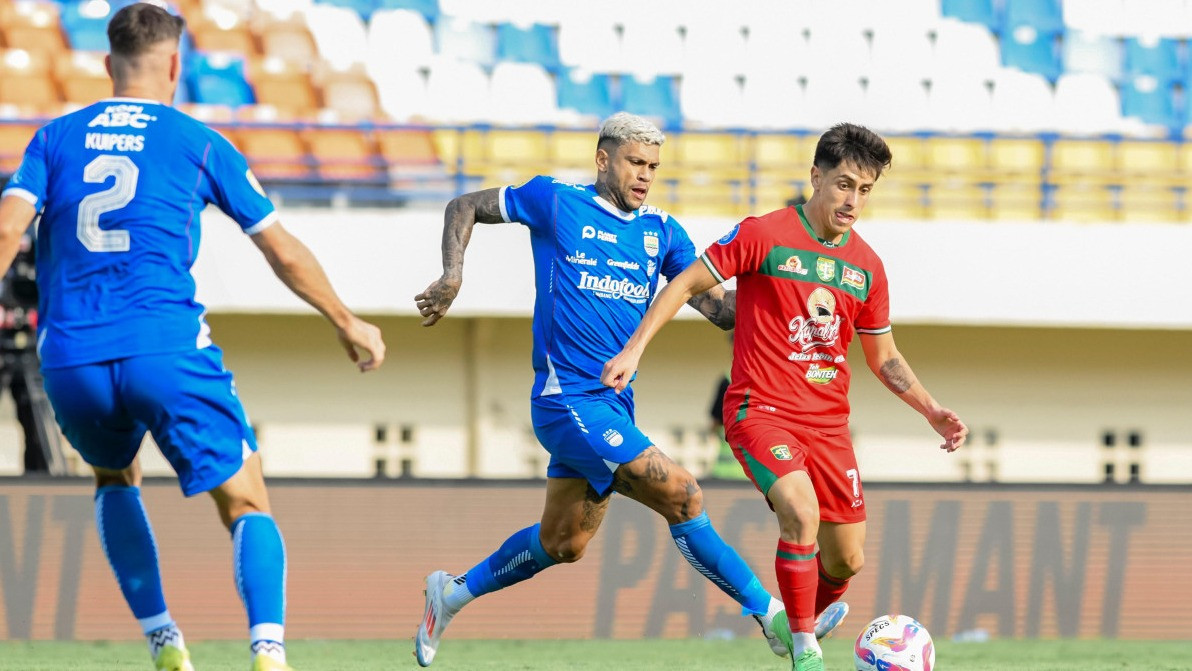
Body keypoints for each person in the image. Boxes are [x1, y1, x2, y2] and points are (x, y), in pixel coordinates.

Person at [0, 5, 385, 671]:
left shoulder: (52, 138)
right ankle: (268, 651)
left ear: (106, 64)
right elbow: (283, 251)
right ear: (177, 65)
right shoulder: (199, 141)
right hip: (165, 348)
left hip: (72, 358)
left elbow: (8, 231)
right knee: (245, 498)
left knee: (114, 477)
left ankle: (163, 639)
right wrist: (347, 321)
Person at [413, 112, 802, 667]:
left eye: (653, 166)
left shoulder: (662, 232)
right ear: (603, 159)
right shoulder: (555, 200)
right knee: (684, 495)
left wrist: (785, 289)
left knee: (563, 544)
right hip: (565, 401)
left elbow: (718, 310)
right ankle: (774, 618)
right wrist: (453, 273)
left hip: (614, 407)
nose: (645, 175)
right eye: (635, 162)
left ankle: (448, 595)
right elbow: (465, 205)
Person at [602, 123, 969, 671]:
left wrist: (931, 409)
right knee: (801, 511)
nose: (853, 201)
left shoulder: (867, 267)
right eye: (844, 185)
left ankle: (799, 622)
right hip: (761, 410)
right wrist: (634, 351)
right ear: (816, 177)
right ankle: (804, 650)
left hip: (828, 428)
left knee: (846, 561)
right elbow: (682, 283)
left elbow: (884, 358)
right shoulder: (765, 234)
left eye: (865, 190)